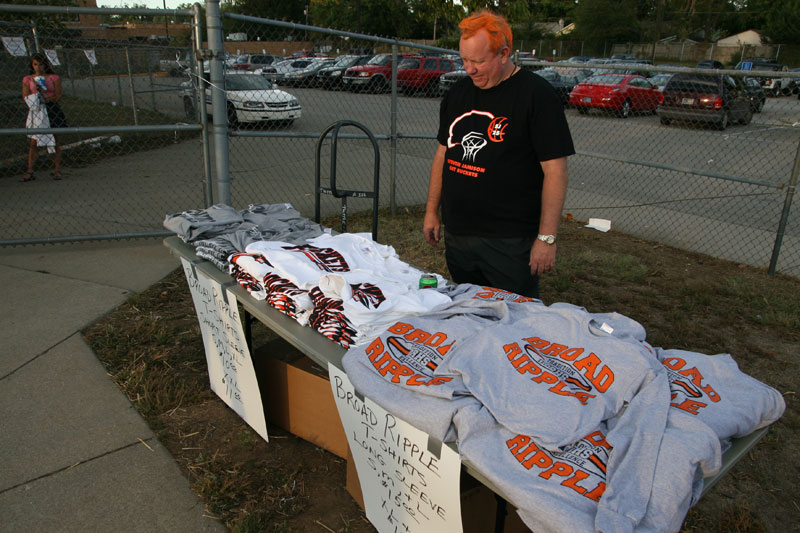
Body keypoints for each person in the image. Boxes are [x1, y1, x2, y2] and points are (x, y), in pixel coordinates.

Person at [423, 10, 574, 299]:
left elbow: (556, 171)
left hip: (509, 240)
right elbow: (443, 154)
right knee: (469, 307)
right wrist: (432, 211)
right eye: (464, 60)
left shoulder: (536, 96)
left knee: (514, 319)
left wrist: (546, 237)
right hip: (460, 233)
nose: (470, 69)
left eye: (478, 61)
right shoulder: (458, 93)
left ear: (504, 54)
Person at [21, 52, 67, 181]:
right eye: (35, 64)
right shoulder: (28, 79)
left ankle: (57, 170)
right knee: (34, 141)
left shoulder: (53, 78)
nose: (38, 68)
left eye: (41, 65)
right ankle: (30, 170)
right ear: (32, 65)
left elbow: (58, 94)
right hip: (37, 110)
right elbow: (25, 95)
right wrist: (35, 96)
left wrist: (47, 95)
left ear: (45, 65)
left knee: (56, 139)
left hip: (52, 108)